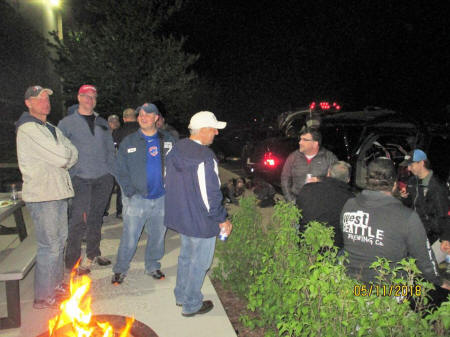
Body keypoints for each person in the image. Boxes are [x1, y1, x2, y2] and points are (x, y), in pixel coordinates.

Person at [341, 158, 450, 290]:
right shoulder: (406, 217)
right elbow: (425, 261)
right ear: (394, 185)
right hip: (388, 292)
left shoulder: (349, 205)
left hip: (351, 286)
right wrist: (441, 282)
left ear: (366, 181)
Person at [164, 110, 232, 317]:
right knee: (200, 263)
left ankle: (181, 295)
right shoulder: (205, 156)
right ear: (202, 131)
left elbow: (167, 182)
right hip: (201, 221)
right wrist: (222, 220)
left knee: (186, 257)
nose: (216, 134)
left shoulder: (175, 149)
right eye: (213, 130)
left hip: (182, 217)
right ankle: (191, 304)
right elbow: (209, 195)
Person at [16, 85, 78, 309]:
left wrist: (64, 153)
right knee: (49, 246)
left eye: (46, 98)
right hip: (44, 196)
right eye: (39, 98)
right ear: (28, 103)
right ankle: (43, 296)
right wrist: (64, 153)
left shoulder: (50, 127)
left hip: (58, 192)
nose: (45, 102)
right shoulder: (28, 129)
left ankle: (57, 285)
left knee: (59, 242)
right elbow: (63, 156)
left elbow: (73, 153)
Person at [112, 103, 175, 284]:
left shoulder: (168, 139)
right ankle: (121, 268)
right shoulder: (129, 142)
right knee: (130, 237)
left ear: (157, 118)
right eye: (140, 114)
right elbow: (120, 169)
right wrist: (130, 192)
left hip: (162, 198)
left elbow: (177, 166)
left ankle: (153, 266)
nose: (143, 117)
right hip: (137, 199)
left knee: (157, 236)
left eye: (148, 114)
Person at [58, 84, 116, 275]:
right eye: (86, 96)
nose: (89, 99)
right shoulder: (66, 123)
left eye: (93, 96)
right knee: (77, 220)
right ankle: (72, 261)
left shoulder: (102, 122)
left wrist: (111, 171)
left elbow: (110, 149)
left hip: (103, 178)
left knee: (96, 217)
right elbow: (60, 151)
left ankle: (93, 253)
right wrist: (71, 171)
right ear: (79, 97)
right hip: (80, 179)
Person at [296, 161, 354, 248]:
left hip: (305, 245)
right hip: (333, 251)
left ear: (328, 173)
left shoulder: (308, 188)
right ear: (348, 179)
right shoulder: (351, 200)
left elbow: (298, 211)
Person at [399, 149, 449, 244]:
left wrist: (444, 239)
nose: (408, 169)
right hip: (413, 228)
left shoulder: (436, 187)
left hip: (429, 234)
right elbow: (410, 205)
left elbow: (443, 216)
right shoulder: (412, 181)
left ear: (421, 163)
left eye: (411, 165)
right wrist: (404, 197)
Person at [281, 128, 337, 202]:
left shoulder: (329, 157)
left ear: (315, 143)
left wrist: (320, 179)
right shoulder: (293, 156)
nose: (300, 142)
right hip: (297, 199)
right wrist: (291, 200)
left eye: (304, 140)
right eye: (300, 139)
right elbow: (285, 178)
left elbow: (337, 180)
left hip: (320, 201)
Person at [110, 108, 140, 218]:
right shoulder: (143, 129)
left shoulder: (118, 131)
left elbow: (113, 149)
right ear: (136, 117)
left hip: (125, 166)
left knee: (123, 190)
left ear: (123, 118)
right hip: (140, 166)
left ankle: (122, 212)